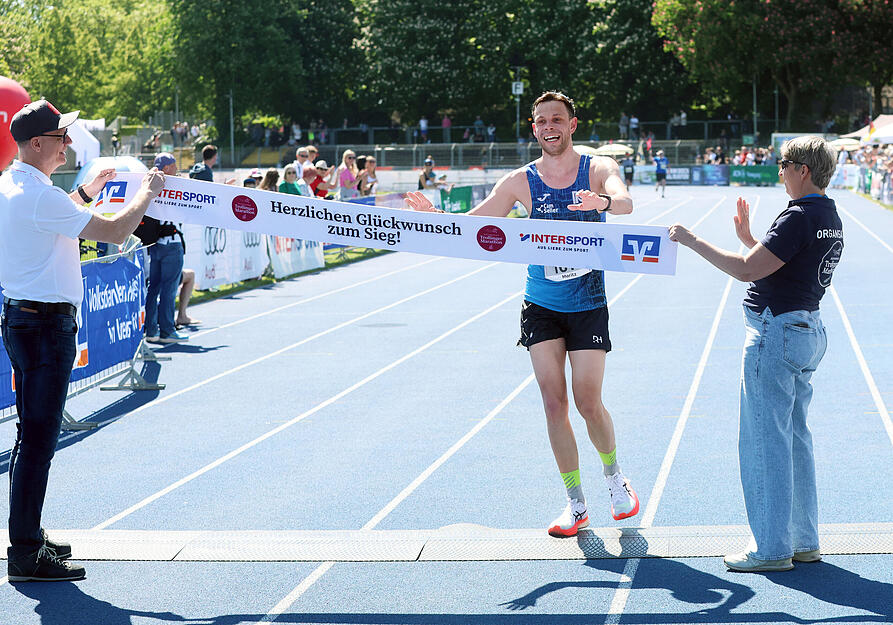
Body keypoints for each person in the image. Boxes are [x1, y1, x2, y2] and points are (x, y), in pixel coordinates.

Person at [404, 91, 639, 536]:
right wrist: (436, 216)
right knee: (554, 404)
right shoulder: (520, 181)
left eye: (557, 119)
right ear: (534, 129)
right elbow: (474, 224)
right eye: (541, 121)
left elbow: (625, 203)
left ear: (572, 124)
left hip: (588, 302)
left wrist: (602, 204)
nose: (549, 126)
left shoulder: (597, 168)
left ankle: (614, 478)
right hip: (541, 304)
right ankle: (575, 504)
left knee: (589, 403)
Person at [0, 100, 164, 582]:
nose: (68, 143)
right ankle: (26, 551)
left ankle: (26, 535)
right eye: (60, 136)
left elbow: (47, 219)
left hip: (25, 320)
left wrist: (85, 192)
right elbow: (114, 232)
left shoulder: (17, 185)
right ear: (36, 144)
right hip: (46, 327)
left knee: (31, 436)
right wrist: (147, 193)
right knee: (38, 442)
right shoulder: (37, 195)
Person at [668, 136, 842, 572]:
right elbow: (780, 261)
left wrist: (691, 240)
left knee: (766, 443)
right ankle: (803, 540)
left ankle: (770, 548)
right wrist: (748, 236)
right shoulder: (828, 213)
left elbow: (747, 270)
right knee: (795, 438)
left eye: (784, 163)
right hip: (806, 329)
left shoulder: (798, 217)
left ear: (803, 169)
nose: (779, 170)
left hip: (776, 331)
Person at [144, 153, 188, 344]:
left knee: (154, 288)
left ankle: (152, 330)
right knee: (169, 289)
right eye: (174, 165)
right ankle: (167, 330)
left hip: (155, 244)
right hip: (171, 243)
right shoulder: (174, 185)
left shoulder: (149, 183)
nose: (177, 168)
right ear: (168, 167)